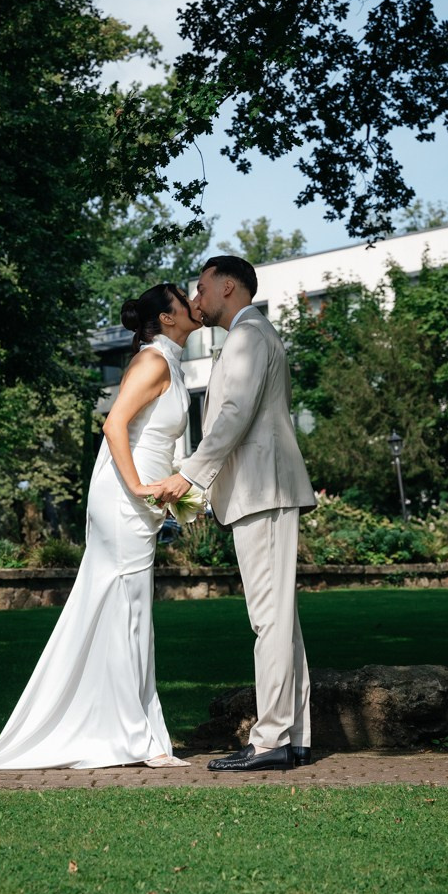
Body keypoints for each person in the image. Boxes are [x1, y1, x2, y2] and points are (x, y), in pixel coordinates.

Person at [0, 283, 201, 771]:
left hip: (144, 502)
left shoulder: (170, 363)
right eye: (183, 298)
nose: (192, 303)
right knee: (125, 610)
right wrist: (138, 487)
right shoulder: (153, 362)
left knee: (129, 611)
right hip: (122, 500)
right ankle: (140, 738)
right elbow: (114, 425)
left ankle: (141, 732)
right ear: (169, 317)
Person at [153, 256, 316, 772]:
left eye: (200, 288)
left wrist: (189, 477)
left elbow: (234, 416)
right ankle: (295, 736)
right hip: (261, 490)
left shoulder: (248, 336)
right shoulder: (252, 335)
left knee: (268, 620)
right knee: (280, 622)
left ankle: (269, 742)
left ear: (228, 286)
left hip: (263, 491)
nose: (196, 299)